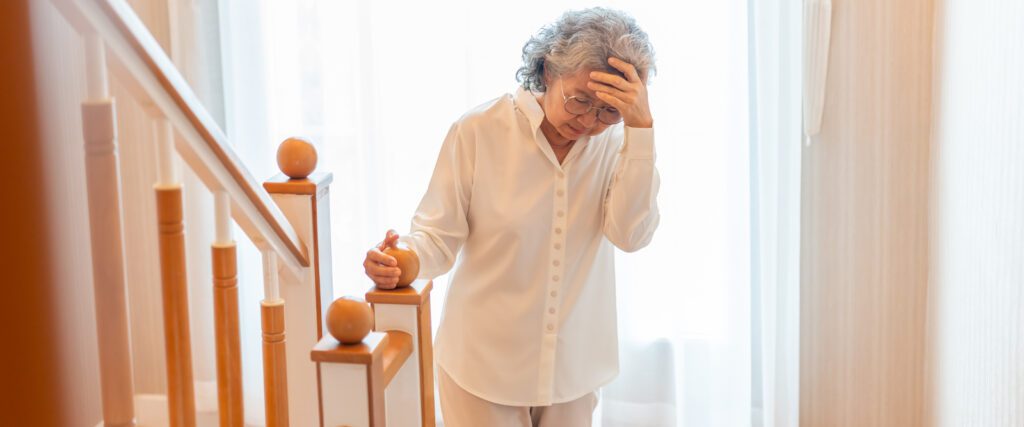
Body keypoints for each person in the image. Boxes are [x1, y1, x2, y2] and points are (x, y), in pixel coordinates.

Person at [362, 7, 660, 426]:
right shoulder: (478, 130)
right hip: (483, 367)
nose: (589, 120)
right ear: (549, 70)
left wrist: (640, 128)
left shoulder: (619, 146)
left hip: (574, 371)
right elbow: (437, 235)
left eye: (607, 110)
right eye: (580, 100)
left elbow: (630, 234)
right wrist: (401, 260)